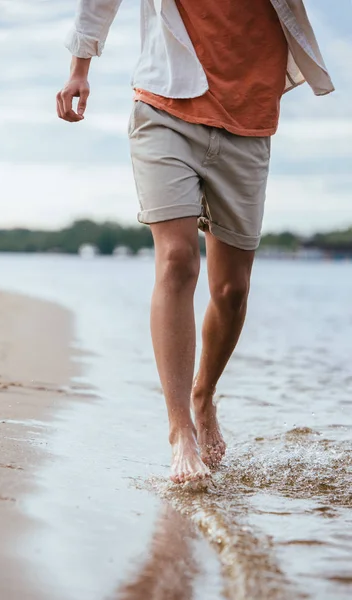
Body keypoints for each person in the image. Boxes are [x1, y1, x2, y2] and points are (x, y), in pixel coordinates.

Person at [57, 1, 334, 485]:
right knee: (178, 260)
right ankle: (179, 430)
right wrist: (79, 67)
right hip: (166, 107)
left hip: (248, 123)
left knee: (232, 292)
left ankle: (203, 396)